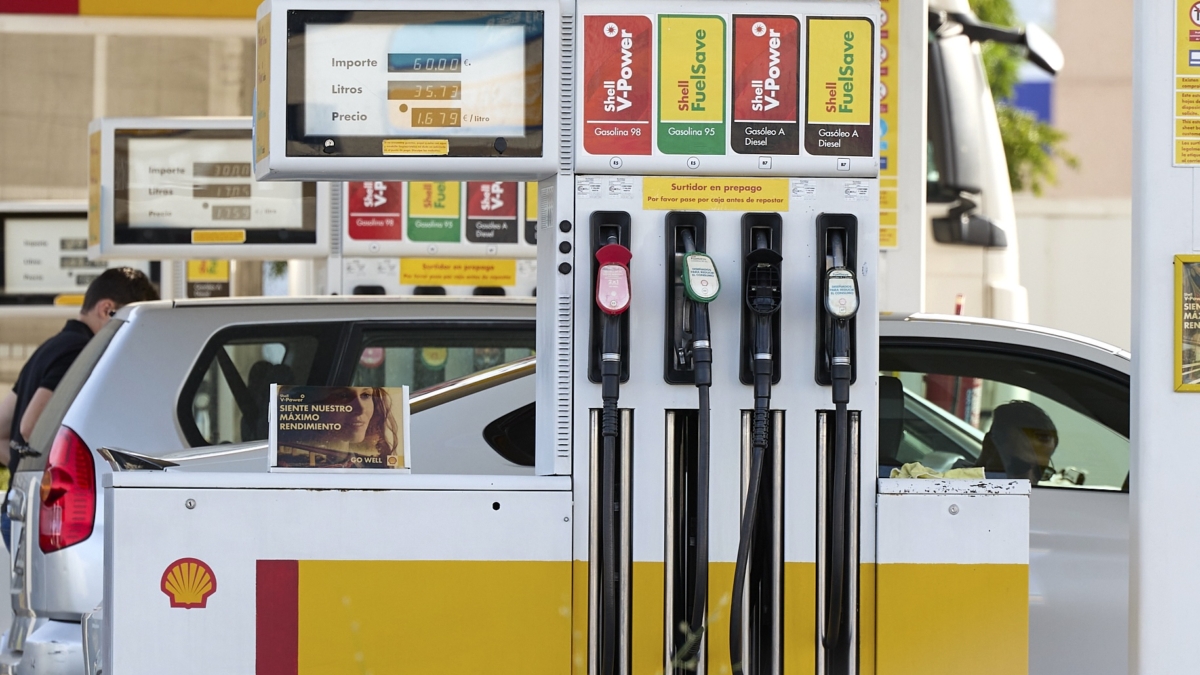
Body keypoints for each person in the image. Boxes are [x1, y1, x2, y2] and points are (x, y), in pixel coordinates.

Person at [0, 267, 159, 548]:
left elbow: (4, 426)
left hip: (18, 507)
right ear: (107, 309)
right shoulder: (79, 351)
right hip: (44, 514)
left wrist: (22, 465)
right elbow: (31, 427)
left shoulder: (49, 347)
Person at [277, 386, 402, 469]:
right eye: (343, 396)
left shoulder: (376, 468)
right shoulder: (285, 467)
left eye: (365, 395)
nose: (360, 409)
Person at [975, 400, 1059, 485]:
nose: (1029, 481)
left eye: (1040, 472)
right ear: (989, 447)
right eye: (1019, 467)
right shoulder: (962, 487)